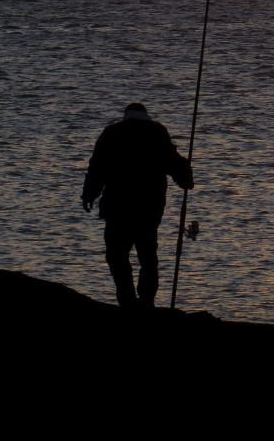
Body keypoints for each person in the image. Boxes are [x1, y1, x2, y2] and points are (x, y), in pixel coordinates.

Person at [82, 103, 193, 308]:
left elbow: (97, 167)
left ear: (126, 116)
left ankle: (127, 298)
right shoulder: (157, 132)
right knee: (148, 256)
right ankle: (146, 300)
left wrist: (89, 195)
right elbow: (173, 162)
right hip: (149, 207)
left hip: (118, 208)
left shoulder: (111, 133)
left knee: (116, 255)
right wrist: (185, 177)